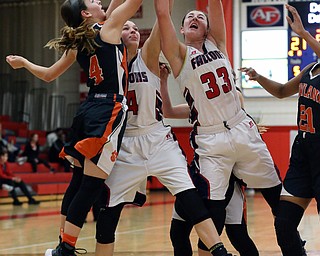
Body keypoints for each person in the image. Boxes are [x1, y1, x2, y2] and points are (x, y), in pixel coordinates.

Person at [6, 0, 143, 255]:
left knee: (79, 181)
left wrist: (25, 63)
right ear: (85, 13)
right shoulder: (108, 29)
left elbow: (48, 75)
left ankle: (62, 244)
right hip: (108, 109)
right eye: (93, 1)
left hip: (87, 108)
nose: (99, 1)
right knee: (91, 186)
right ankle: (65, 249)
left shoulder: (83, 40)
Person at [93, 3, 229, 255]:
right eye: (125, 27)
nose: (133, 30)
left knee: (190, 199)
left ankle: (220, 251)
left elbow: (162, 16)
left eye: (136, 27)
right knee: (107, 215)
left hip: (158, 139)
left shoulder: (148, 56)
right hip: (124, 146)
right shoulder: (109, 63)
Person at [154, 0, 283, 253]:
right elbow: (161, 14)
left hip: (241, 127)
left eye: (200, 17)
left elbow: (215, 4)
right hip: (211, 138)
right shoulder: (179, 56)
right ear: (181, 30)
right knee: (214, 211)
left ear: (207, 28)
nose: (194, 17)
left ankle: (293, 243)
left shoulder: (218, 44)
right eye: (189, 16)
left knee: (277, 196)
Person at [240, 4, 320, 256]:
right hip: (303, 153)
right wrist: (258, 77)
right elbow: (283, 91)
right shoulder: (309, 70)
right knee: (284, 224)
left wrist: (303, 34)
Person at [159, 63, 259, 256]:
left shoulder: (234, 97)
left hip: (226, 177)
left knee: (236, 235)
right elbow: (168, 112)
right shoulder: (200, 104)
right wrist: (164, 81)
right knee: (178, 233)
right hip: (199, 172)